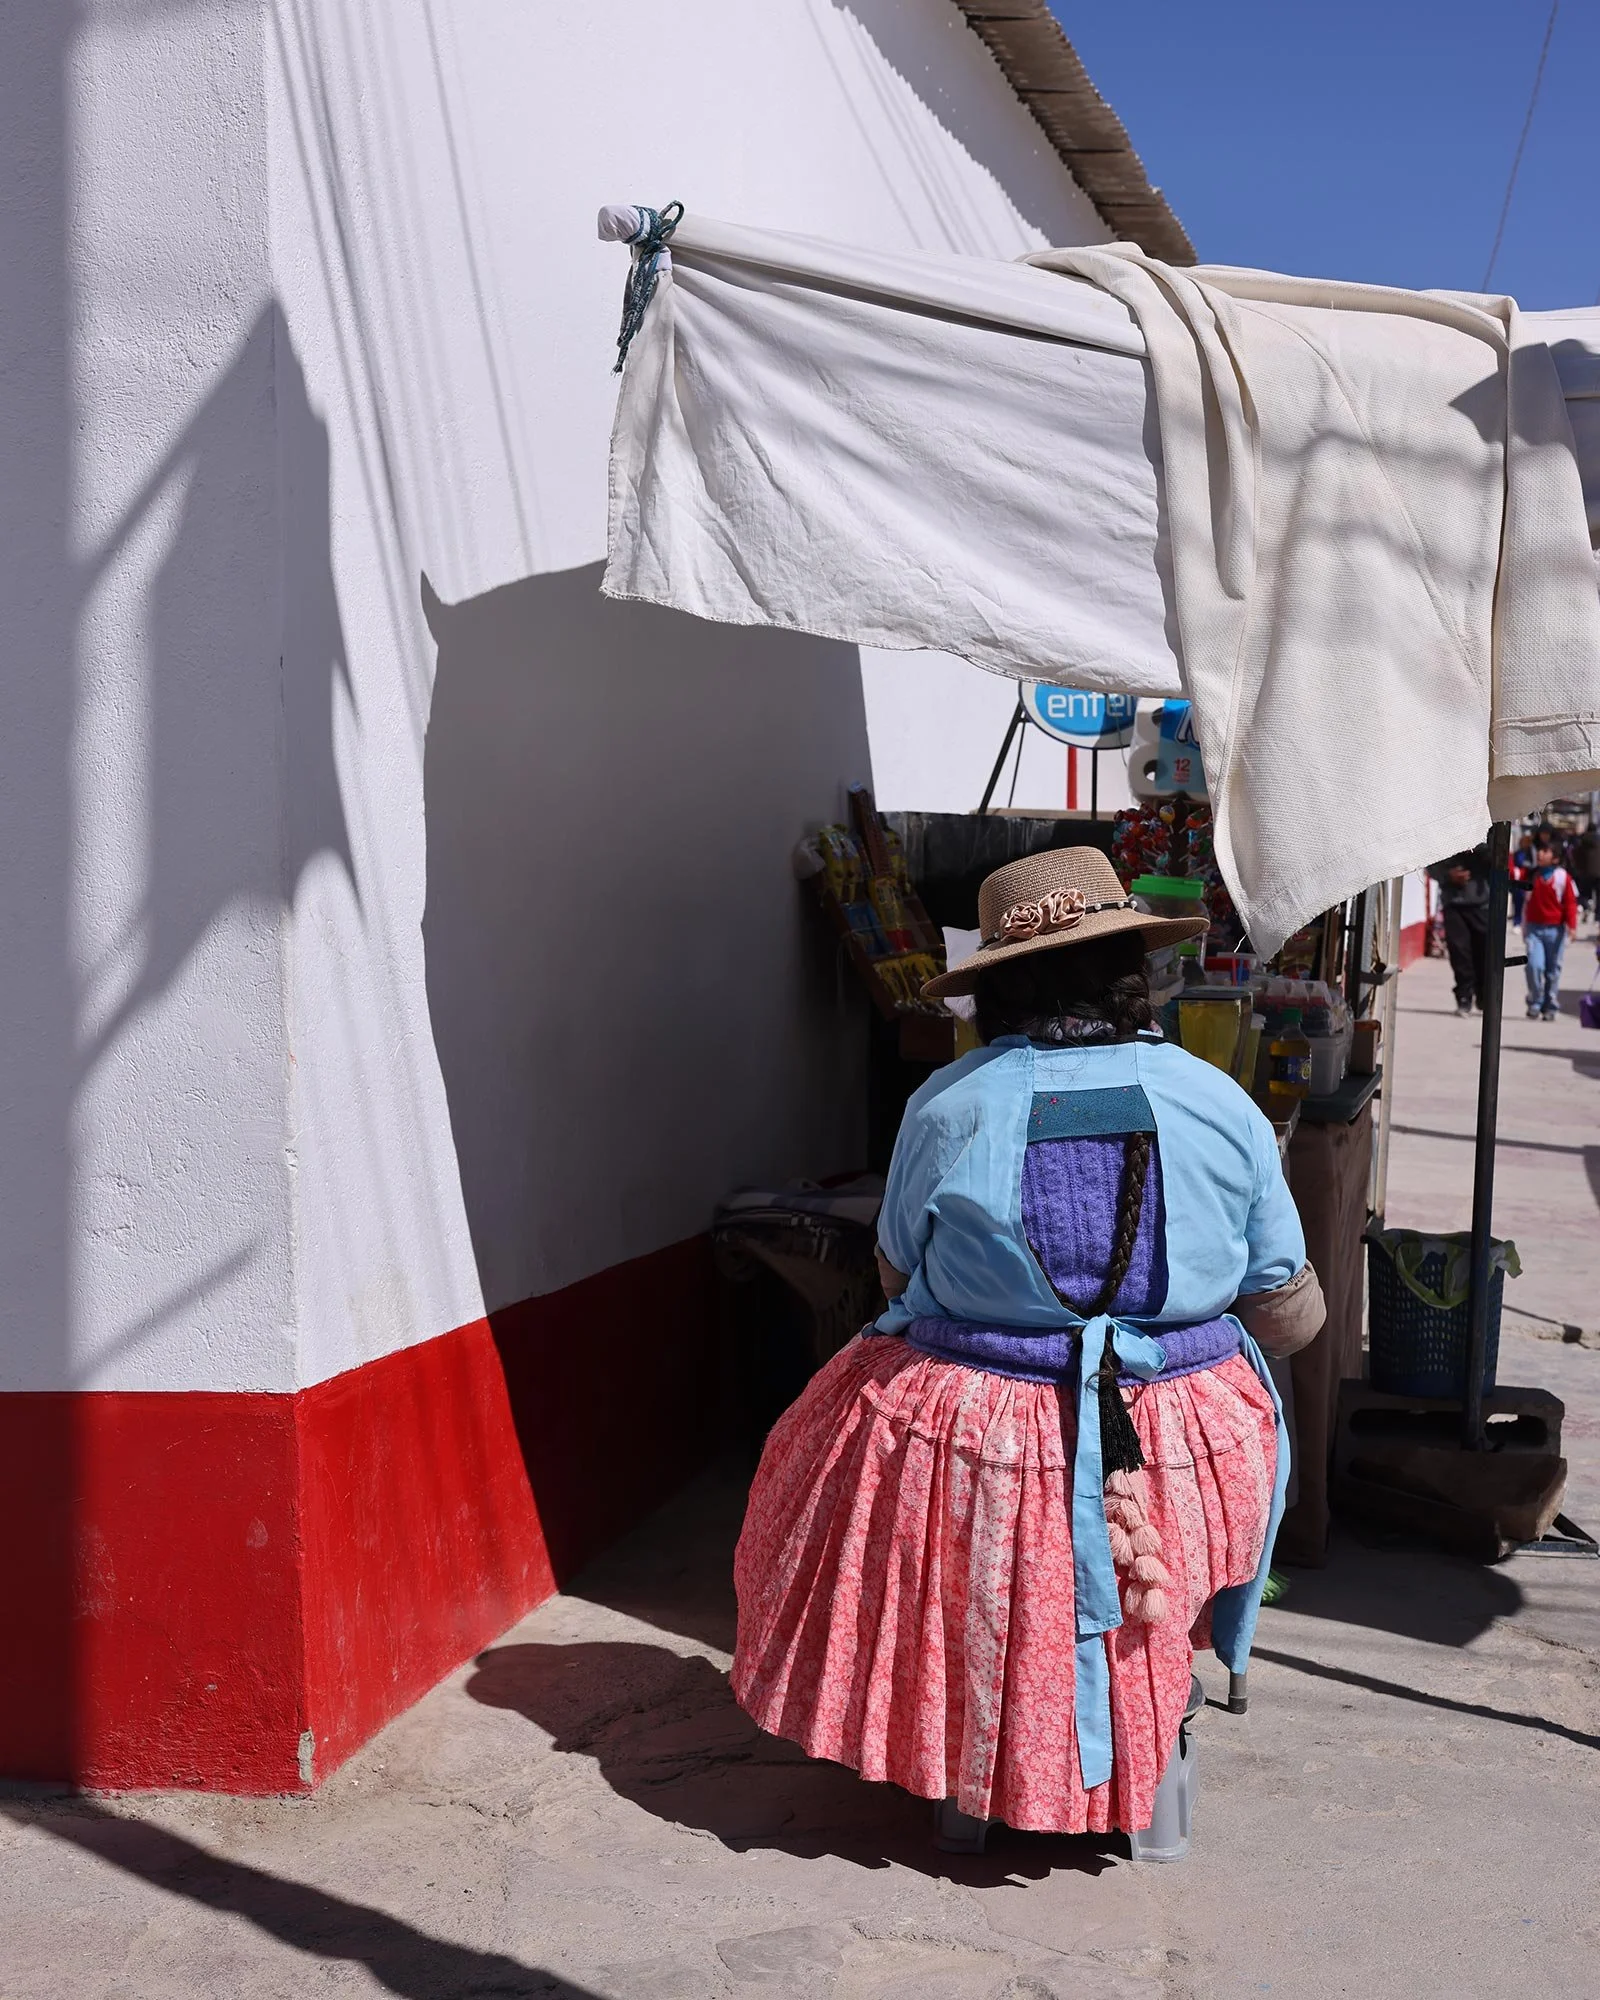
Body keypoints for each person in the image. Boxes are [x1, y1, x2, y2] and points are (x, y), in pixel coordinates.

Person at [732, 849, 1325, 1853]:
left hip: (984, 1433)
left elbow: (895, 1273)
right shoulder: (1216, 1098)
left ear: (993, 989)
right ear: (1134, 968)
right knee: (1245, 1403)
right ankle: (1153, 1769)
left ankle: (963, 1774)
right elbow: (1286, 1303)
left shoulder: (948, 1101)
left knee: (822, 1436)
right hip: (1181, 1436)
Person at [1515, 833, 1579, 1020]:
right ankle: (1535, 1001)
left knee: (1552, 970)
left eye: (1545, 851)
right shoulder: (1533, 875)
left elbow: (1570, 904)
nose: (1540, 854)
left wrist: (1572, 927)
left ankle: (1550, 1004)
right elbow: (1525, 902)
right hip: (1534, 930)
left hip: (1556, 931)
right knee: (1534, 966)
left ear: (1556, 858)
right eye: (1540, 851)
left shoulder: (1562, 878)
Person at [1427, 844, 1490, 1017]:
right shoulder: (1446, 836)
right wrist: (1448, 876)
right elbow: (1430, 864)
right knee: (1459, 952)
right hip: (1454, 904)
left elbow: (1497, 858)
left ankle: (1484, 992)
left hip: (1481, 904)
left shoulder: (1486, 832)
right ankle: (1464, 996)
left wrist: (1477, 849)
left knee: (1484, 952)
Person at [1571, 821, 1600, 927]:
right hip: (1599, 873)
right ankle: (1597, 917)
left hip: (1585, 873)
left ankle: (1586, 906)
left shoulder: (1582, 840)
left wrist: (1578, 868)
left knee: (1584, 894)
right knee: (1599, 896)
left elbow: (1576, 854)